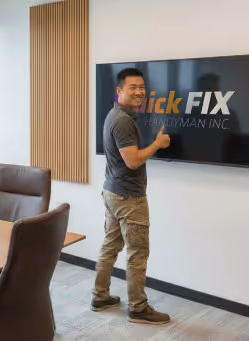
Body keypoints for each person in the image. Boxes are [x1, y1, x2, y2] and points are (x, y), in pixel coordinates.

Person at [91, 67, 171, 325]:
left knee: (110, 246)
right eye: (133, 88)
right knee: (138, 252)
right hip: (129, 198)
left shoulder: (117, 114)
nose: (139, 92)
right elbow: (133, 160)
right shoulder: (123, 120)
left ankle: (100, 296)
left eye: (141, 87)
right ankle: (138, 308)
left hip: (112, 192)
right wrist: (157, 145)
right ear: (119, 91)